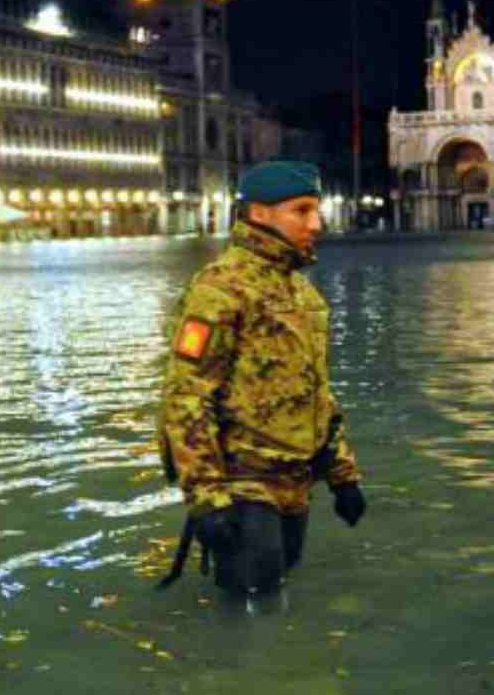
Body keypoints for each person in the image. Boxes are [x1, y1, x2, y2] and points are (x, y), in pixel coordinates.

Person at [156, 161, 366, 604]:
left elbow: (317, 390)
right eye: (301, 210)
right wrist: (208, 498)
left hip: (294, 479)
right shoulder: (220, 289)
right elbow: (186, 396)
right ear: (259, 213)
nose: (317, 222)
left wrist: (342, 473)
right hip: (242, 481)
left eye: (316, 209)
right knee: (254, 602)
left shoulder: (302, 293)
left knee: (276, 590)